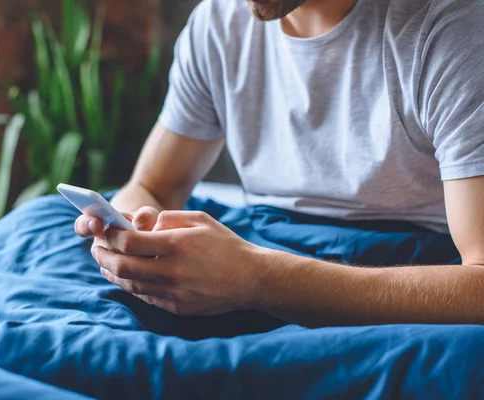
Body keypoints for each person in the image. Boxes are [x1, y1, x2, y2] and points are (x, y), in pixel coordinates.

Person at [75, 0, 484, 327]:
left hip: (408, 265)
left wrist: (259, 279)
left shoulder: (451, 26)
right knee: (35, 232)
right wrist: (133, 234)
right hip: (263, 240)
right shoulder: (219, 22)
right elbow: (154, 187)